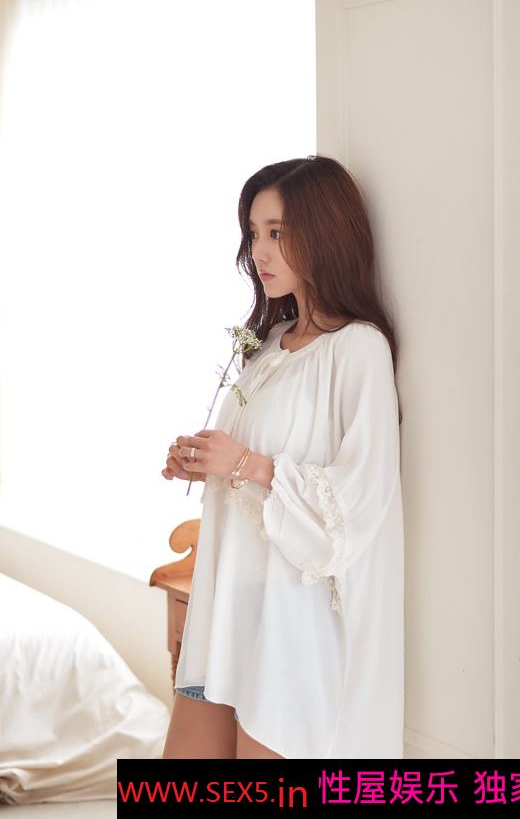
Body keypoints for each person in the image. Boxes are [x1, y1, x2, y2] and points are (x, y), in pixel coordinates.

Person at [160, 155, 404, 760]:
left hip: (292, 617)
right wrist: (204, 461)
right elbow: (244, 469)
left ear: (325, 233)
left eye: (277, 232)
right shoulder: (269, 347)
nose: (260, 251)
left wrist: (245, 464)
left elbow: (357, 503)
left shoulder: (358, 350)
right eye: (254, 233)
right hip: (231, 599)